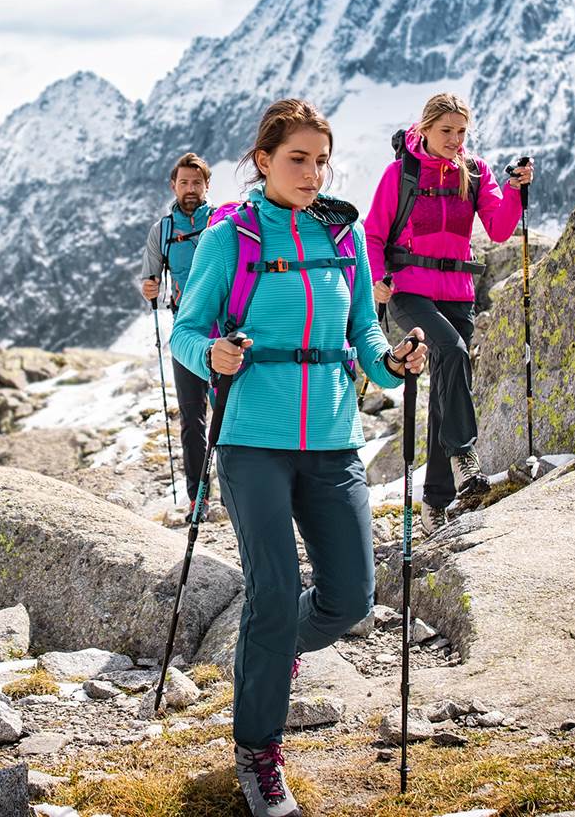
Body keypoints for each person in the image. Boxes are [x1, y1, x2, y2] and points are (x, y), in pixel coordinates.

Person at [172, 100, 429, 817]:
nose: (313, 173)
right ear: (263, 160)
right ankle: (259, 754)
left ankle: (273, 649)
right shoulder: (234, 235)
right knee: (275, 592)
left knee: (350, 598)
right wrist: (212, 352)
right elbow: (186, 334)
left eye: (321, 160)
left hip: (333, 442)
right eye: (298, 159)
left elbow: (364, 337)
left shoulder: (340, 236)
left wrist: (394, 362)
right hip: (253, 441)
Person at [365, 92, 533, 533]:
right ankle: (466, 458)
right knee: (453, 352)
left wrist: (515, 191)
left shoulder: (475, 174)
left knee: (446, 390)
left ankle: (435, 504)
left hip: (458, 292)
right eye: (447, 131)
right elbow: (375, 232)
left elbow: (498, 229)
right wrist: (379, 277)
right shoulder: (401, 173)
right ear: (424, 129)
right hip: (409, 290)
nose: (456, 140)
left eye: (461, 131)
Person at [138, 153, 214, 512]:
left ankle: (235, 490)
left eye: (196, 183)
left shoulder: (221, 222)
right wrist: (149, 289)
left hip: (223, 329)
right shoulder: (163, 231)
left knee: (229, 413)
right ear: (173, 186)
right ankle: (198, 496)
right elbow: (149, 279)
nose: (190, 189)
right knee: (191, 417)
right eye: (184, 182)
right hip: (185, 331)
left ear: (206, 186)